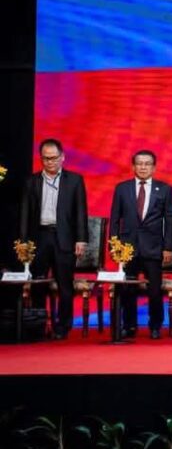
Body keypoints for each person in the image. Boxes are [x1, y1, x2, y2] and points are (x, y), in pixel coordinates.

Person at [18, 138, 88, 339]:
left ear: (62, 157)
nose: (50, 162)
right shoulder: (31, 181)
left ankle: (63, 326)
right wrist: (23, 242)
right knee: (38, 283)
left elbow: (80, 211)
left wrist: (81, 239)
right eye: (46, 158)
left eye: (54, 158)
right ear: (41, 159)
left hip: (63, 237)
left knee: (65, 285)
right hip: (38, 238)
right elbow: (24, 213)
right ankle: (39, 324)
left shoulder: (74, 180)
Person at [109, 150, 172, 339]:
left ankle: (155, 326)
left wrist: (168, 247)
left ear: (154, 167)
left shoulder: (164, 189)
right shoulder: (122, 188)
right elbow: (115, 219)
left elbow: (170, 220)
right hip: (127, 248)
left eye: (147, 164)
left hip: (153, 247)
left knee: (154, 290)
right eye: (139, 163)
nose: (143, 167)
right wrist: (115, 246)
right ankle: (129, 325)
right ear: (133, 166)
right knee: (127, 288)